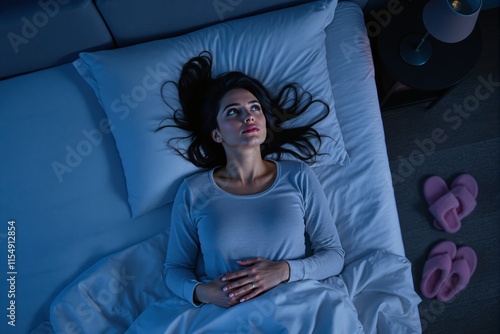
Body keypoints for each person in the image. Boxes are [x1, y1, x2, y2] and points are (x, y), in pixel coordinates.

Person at [158, 51, 347, 328]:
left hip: (297, 308)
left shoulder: (298, 176)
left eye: (254, 108)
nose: (248, 116)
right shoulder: (194, 191)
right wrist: (204, 292)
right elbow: (174, 269)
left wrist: (284, 271)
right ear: (217, 134)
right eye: (233, 112)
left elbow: (334, 255)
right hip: (228, 316)